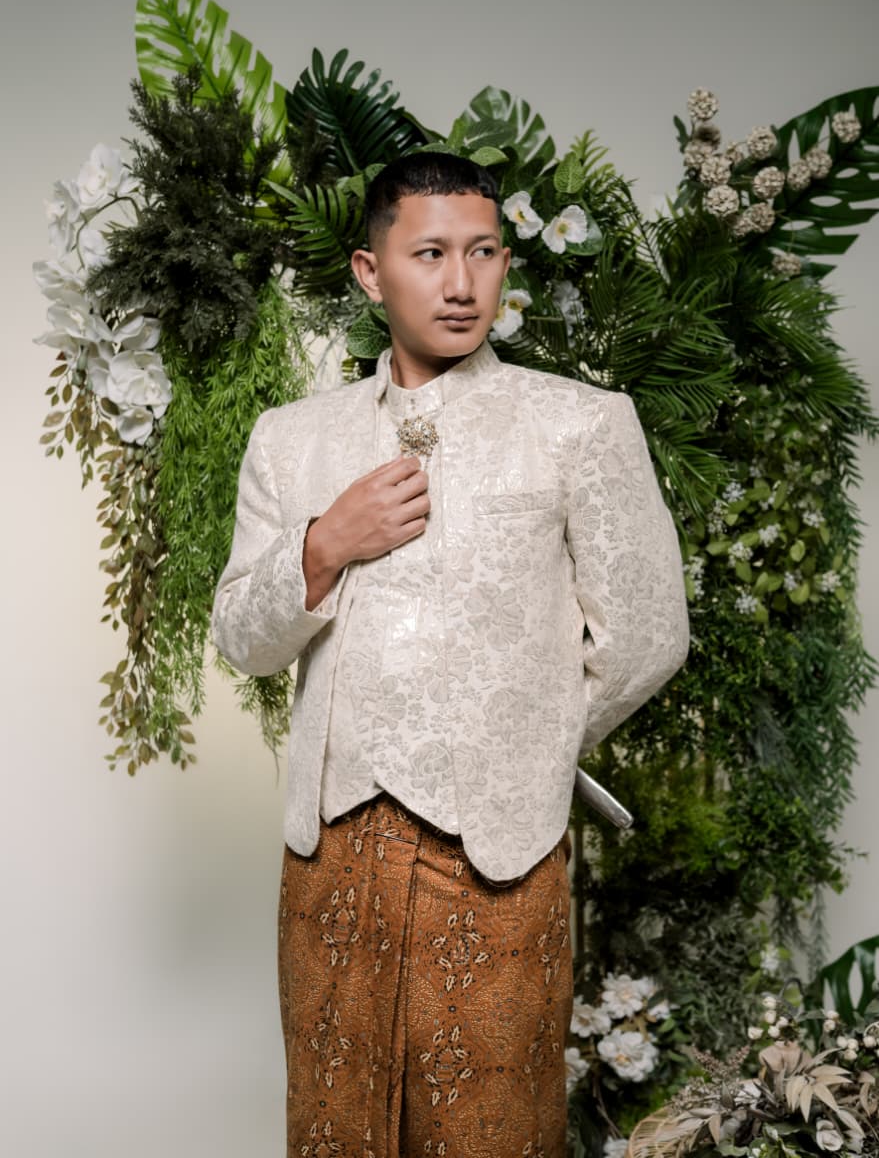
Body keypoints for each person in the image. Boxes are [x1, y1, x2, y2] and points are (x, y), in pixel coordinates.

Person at [211, 152, 689, 1157]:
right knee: (336, 1126)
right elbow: (244, 642)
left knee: (490, 1132)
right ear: (370, 271)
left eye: (483, 252)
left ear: (506, 263)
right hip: (331, 856)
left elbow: (648, 633)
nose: (461, 282)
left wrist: (528, 747)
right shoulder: (291, 440)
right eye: (429, 253)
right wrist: (322, 544)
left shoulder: (579, 424)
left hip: (498, 852)